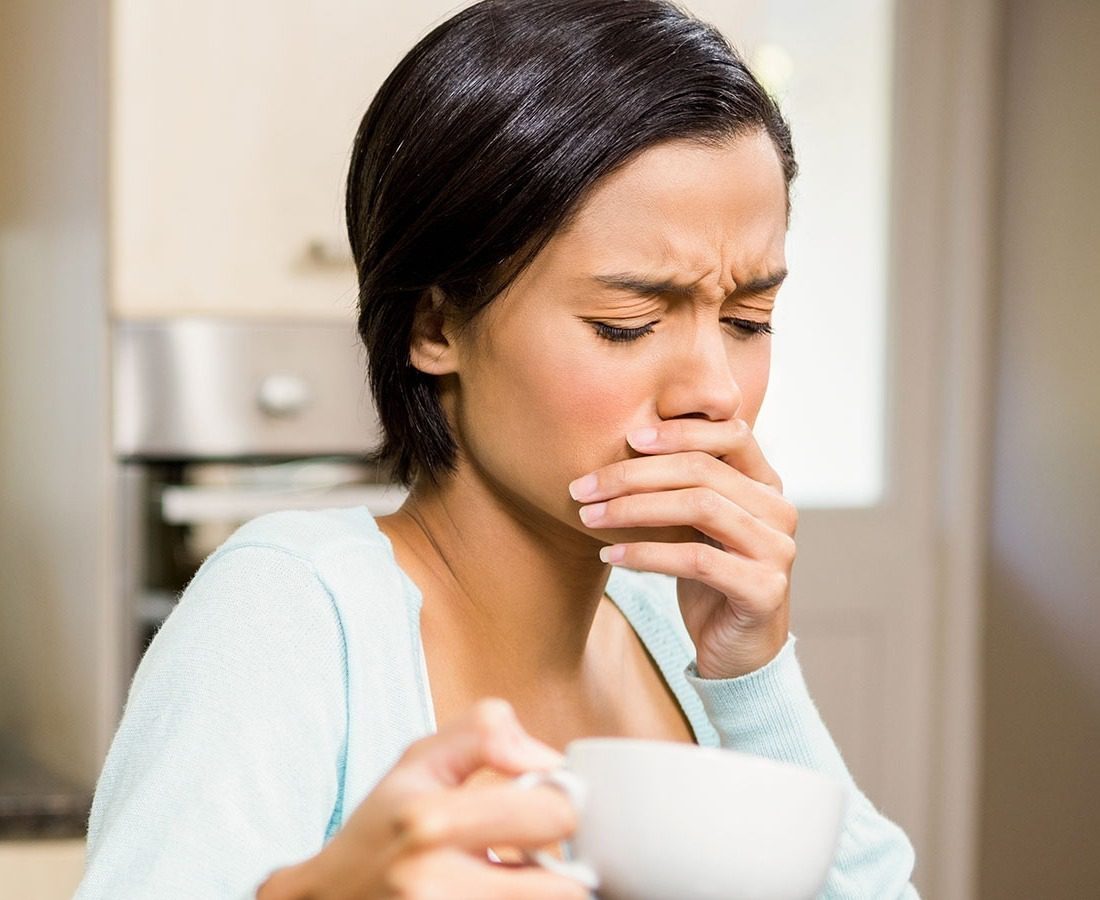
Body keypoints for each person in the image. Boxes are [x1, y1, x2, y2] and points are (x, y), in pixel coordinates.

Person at [76, 1, 919, 897]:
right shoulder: (290, 613)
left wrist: (756, 678)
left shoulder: (671, 624)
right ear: (437, 323)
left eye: (749, 319)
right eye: (625, 324)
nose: (713, 390)